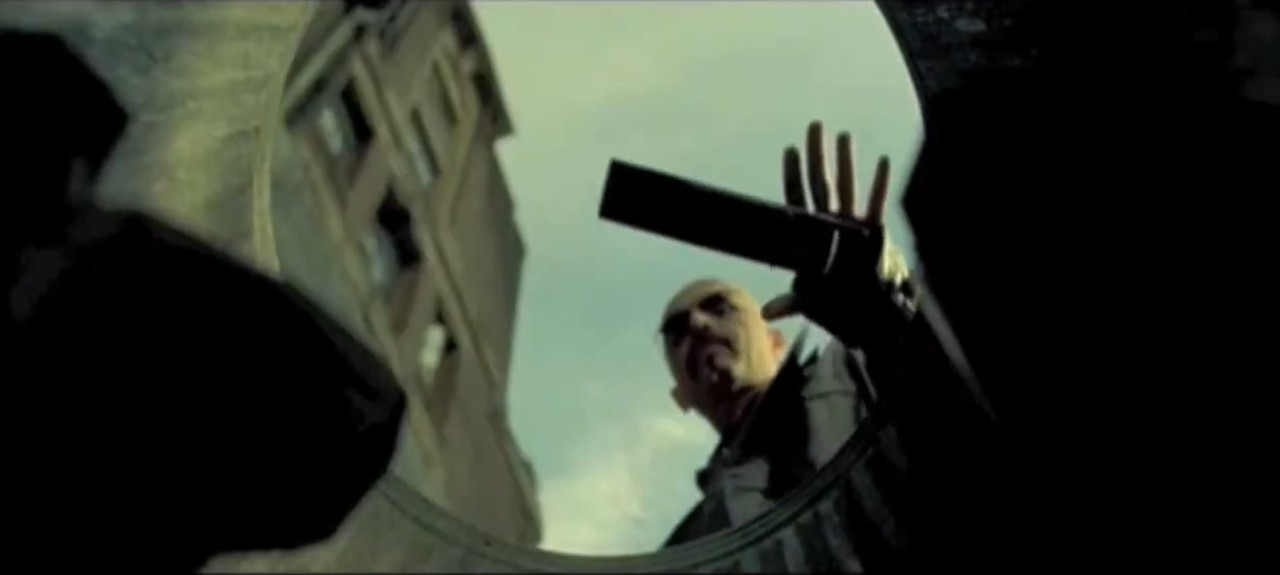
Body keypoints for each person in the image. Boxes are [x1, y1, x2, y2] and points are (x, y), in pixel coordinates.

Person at [660, 121, 915, 547]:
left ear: (775, 339)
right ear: (680, 396)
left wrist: (887, 307)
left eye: (720, 307)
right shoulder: (695, 545)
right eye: (677, 332)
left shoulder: (855, 378)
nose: (700, 326)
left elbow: (951, 386)